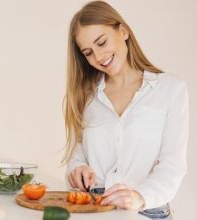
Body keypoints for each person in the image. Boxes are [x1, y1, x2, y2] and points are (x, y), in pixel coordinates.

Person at [63, 1, 189, 219]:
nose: (99, 57)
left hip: (148, 212)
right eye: (88, 52)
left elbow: (173, 166)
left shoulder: (170, 89)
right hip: (95, 210)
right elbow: (77, 157)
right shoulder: (87, 96)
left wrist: (139, 196)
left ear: (123, 31)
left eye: (101, 42)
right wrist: (77, 170)